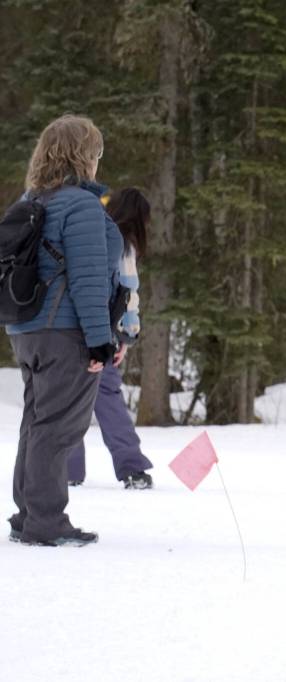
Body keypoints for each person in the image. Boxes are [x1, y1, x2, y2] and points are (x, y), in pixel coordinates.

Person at [5, 114, 124, 547]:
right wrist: (100, 339)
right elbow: (89, 280)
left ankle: (28, 515)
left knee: (37, 423)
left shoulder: (32, 199)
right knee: (58, 429)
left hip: (27, 329)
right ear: (85, 155)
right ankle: (46, 522)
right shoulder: (80, 205)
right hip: (65, 331)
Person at [66, 188, 154, 490]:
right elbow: (128, 292)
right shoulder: (123, 244)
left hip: (69, 328)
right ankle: (131, 467)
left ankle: (67, 469)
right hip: (102, 332)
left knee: (70, 400)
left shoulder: (89, 233)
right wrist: (127, 336)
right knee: (108, 400)